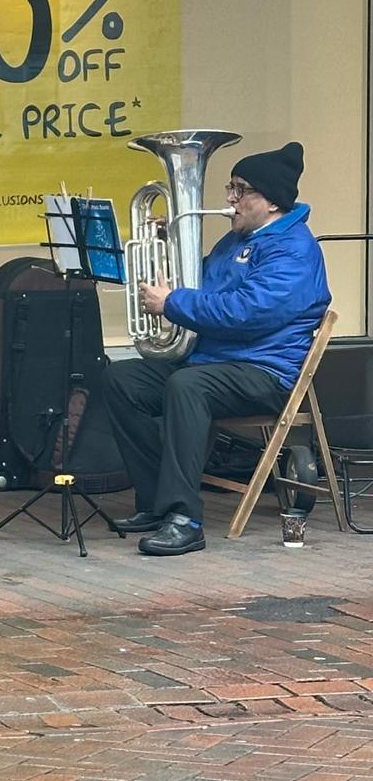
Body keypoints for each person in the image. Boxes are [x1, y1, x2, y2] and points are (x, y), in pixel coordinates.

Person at [105, 142, 330, 556]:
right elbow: (200, 284)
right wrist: (165, 244)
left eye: (241, 190)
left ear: (272, 201)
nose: (230, 199)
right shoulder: (237, 239)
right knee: (121, 378)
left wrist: (171, 303)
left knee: (188, 387)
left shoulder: (294, 250)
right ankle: (157, 500)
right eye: (231, 187)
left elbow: (246, 314)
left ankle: (184, 518)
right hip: (215, 361)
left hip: (264, 371)